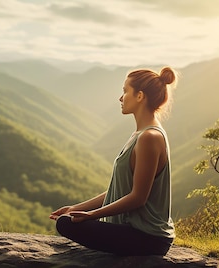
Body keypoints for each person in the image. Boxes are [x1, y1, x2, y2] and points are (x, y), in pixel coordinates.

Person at [49, 67, 178, 256]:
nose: (121, 98)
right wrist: (77, 208)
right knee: (68, 219)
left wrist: (93, 215)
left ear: (140, 96)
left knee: (65, 224)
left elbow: (138, 198)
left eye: (125, 91)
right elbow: (119, 190)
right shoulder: (140, 134)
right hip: (137, 232)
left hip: (148, 238)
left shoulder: (150, 137)